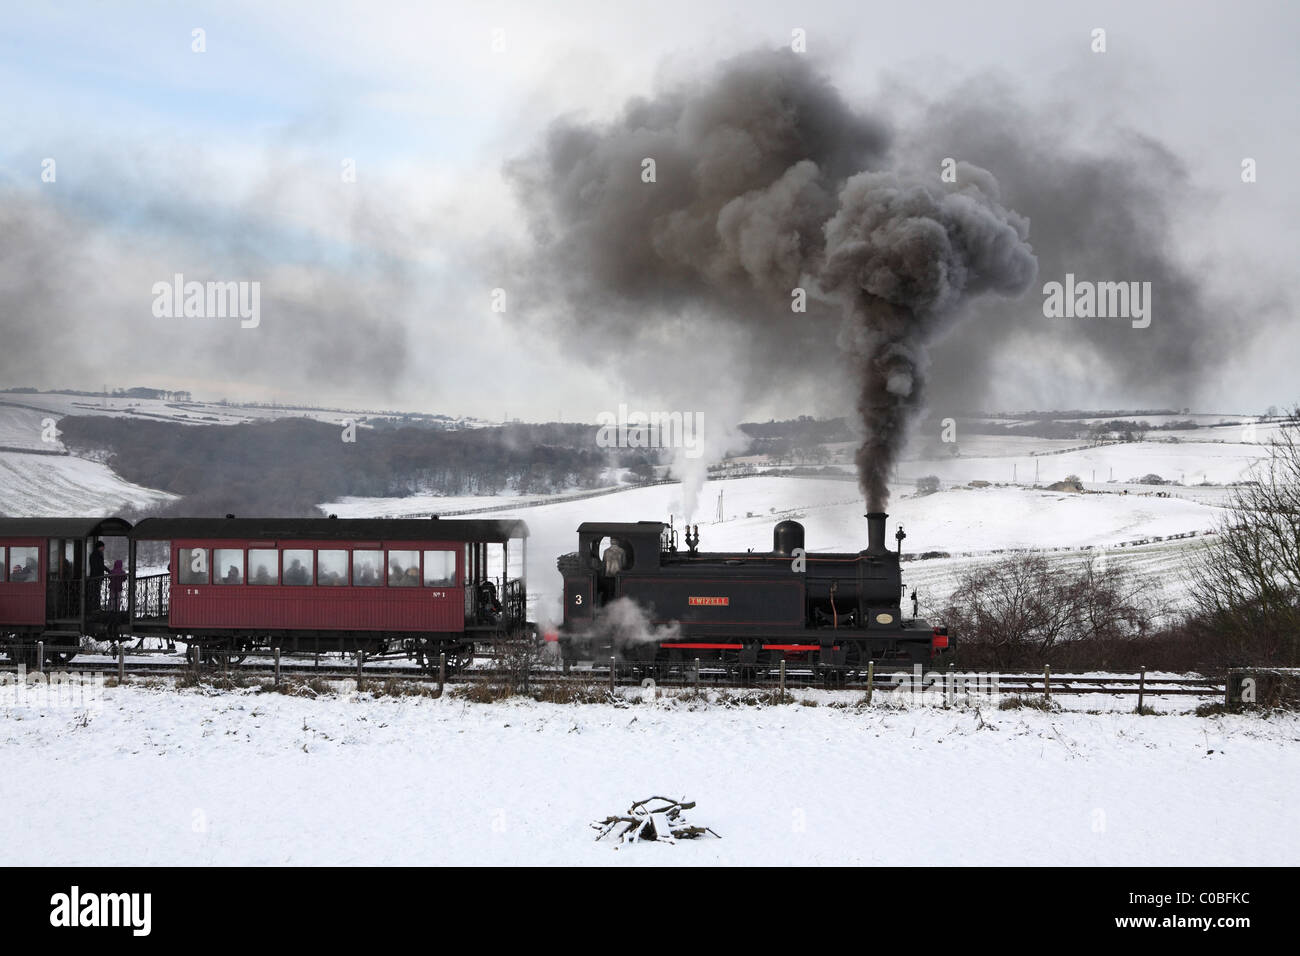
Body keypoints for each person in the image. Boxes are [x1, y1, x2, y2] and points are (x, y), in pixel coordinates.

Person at [87, 540, 106, 612]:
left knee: (96, 592)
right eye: (103, 547)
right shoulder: (97, 555)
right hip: (96, 577)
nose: (104, 548)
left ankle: (95, 607)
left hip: (95, 576)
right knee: (96, 593)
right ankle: (95, 608)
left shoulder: (95, 554)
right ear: (99, 547)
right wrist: (107, 571)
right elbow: (99, 565)